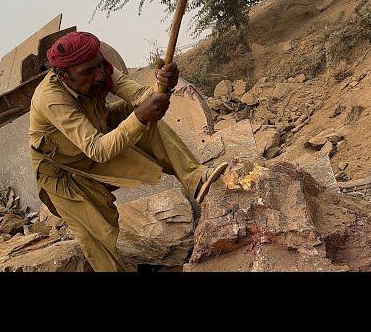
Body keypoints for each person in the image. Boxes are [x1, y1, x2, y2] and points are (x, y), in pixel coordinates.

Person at [29, 32, 227, 272]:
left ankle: (195, 178)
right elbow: (97, 149)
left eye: (99, 65)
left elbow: (140, 97)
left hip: (99, 133)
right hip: (63, 171)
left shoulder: (102, 70)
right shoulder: (51, 99)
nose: (99, 75)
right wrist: (140, 116)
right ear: (63, 76)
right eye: (88, 72)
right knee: (98, 235)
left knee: (146, 116)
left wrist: (162, 85)